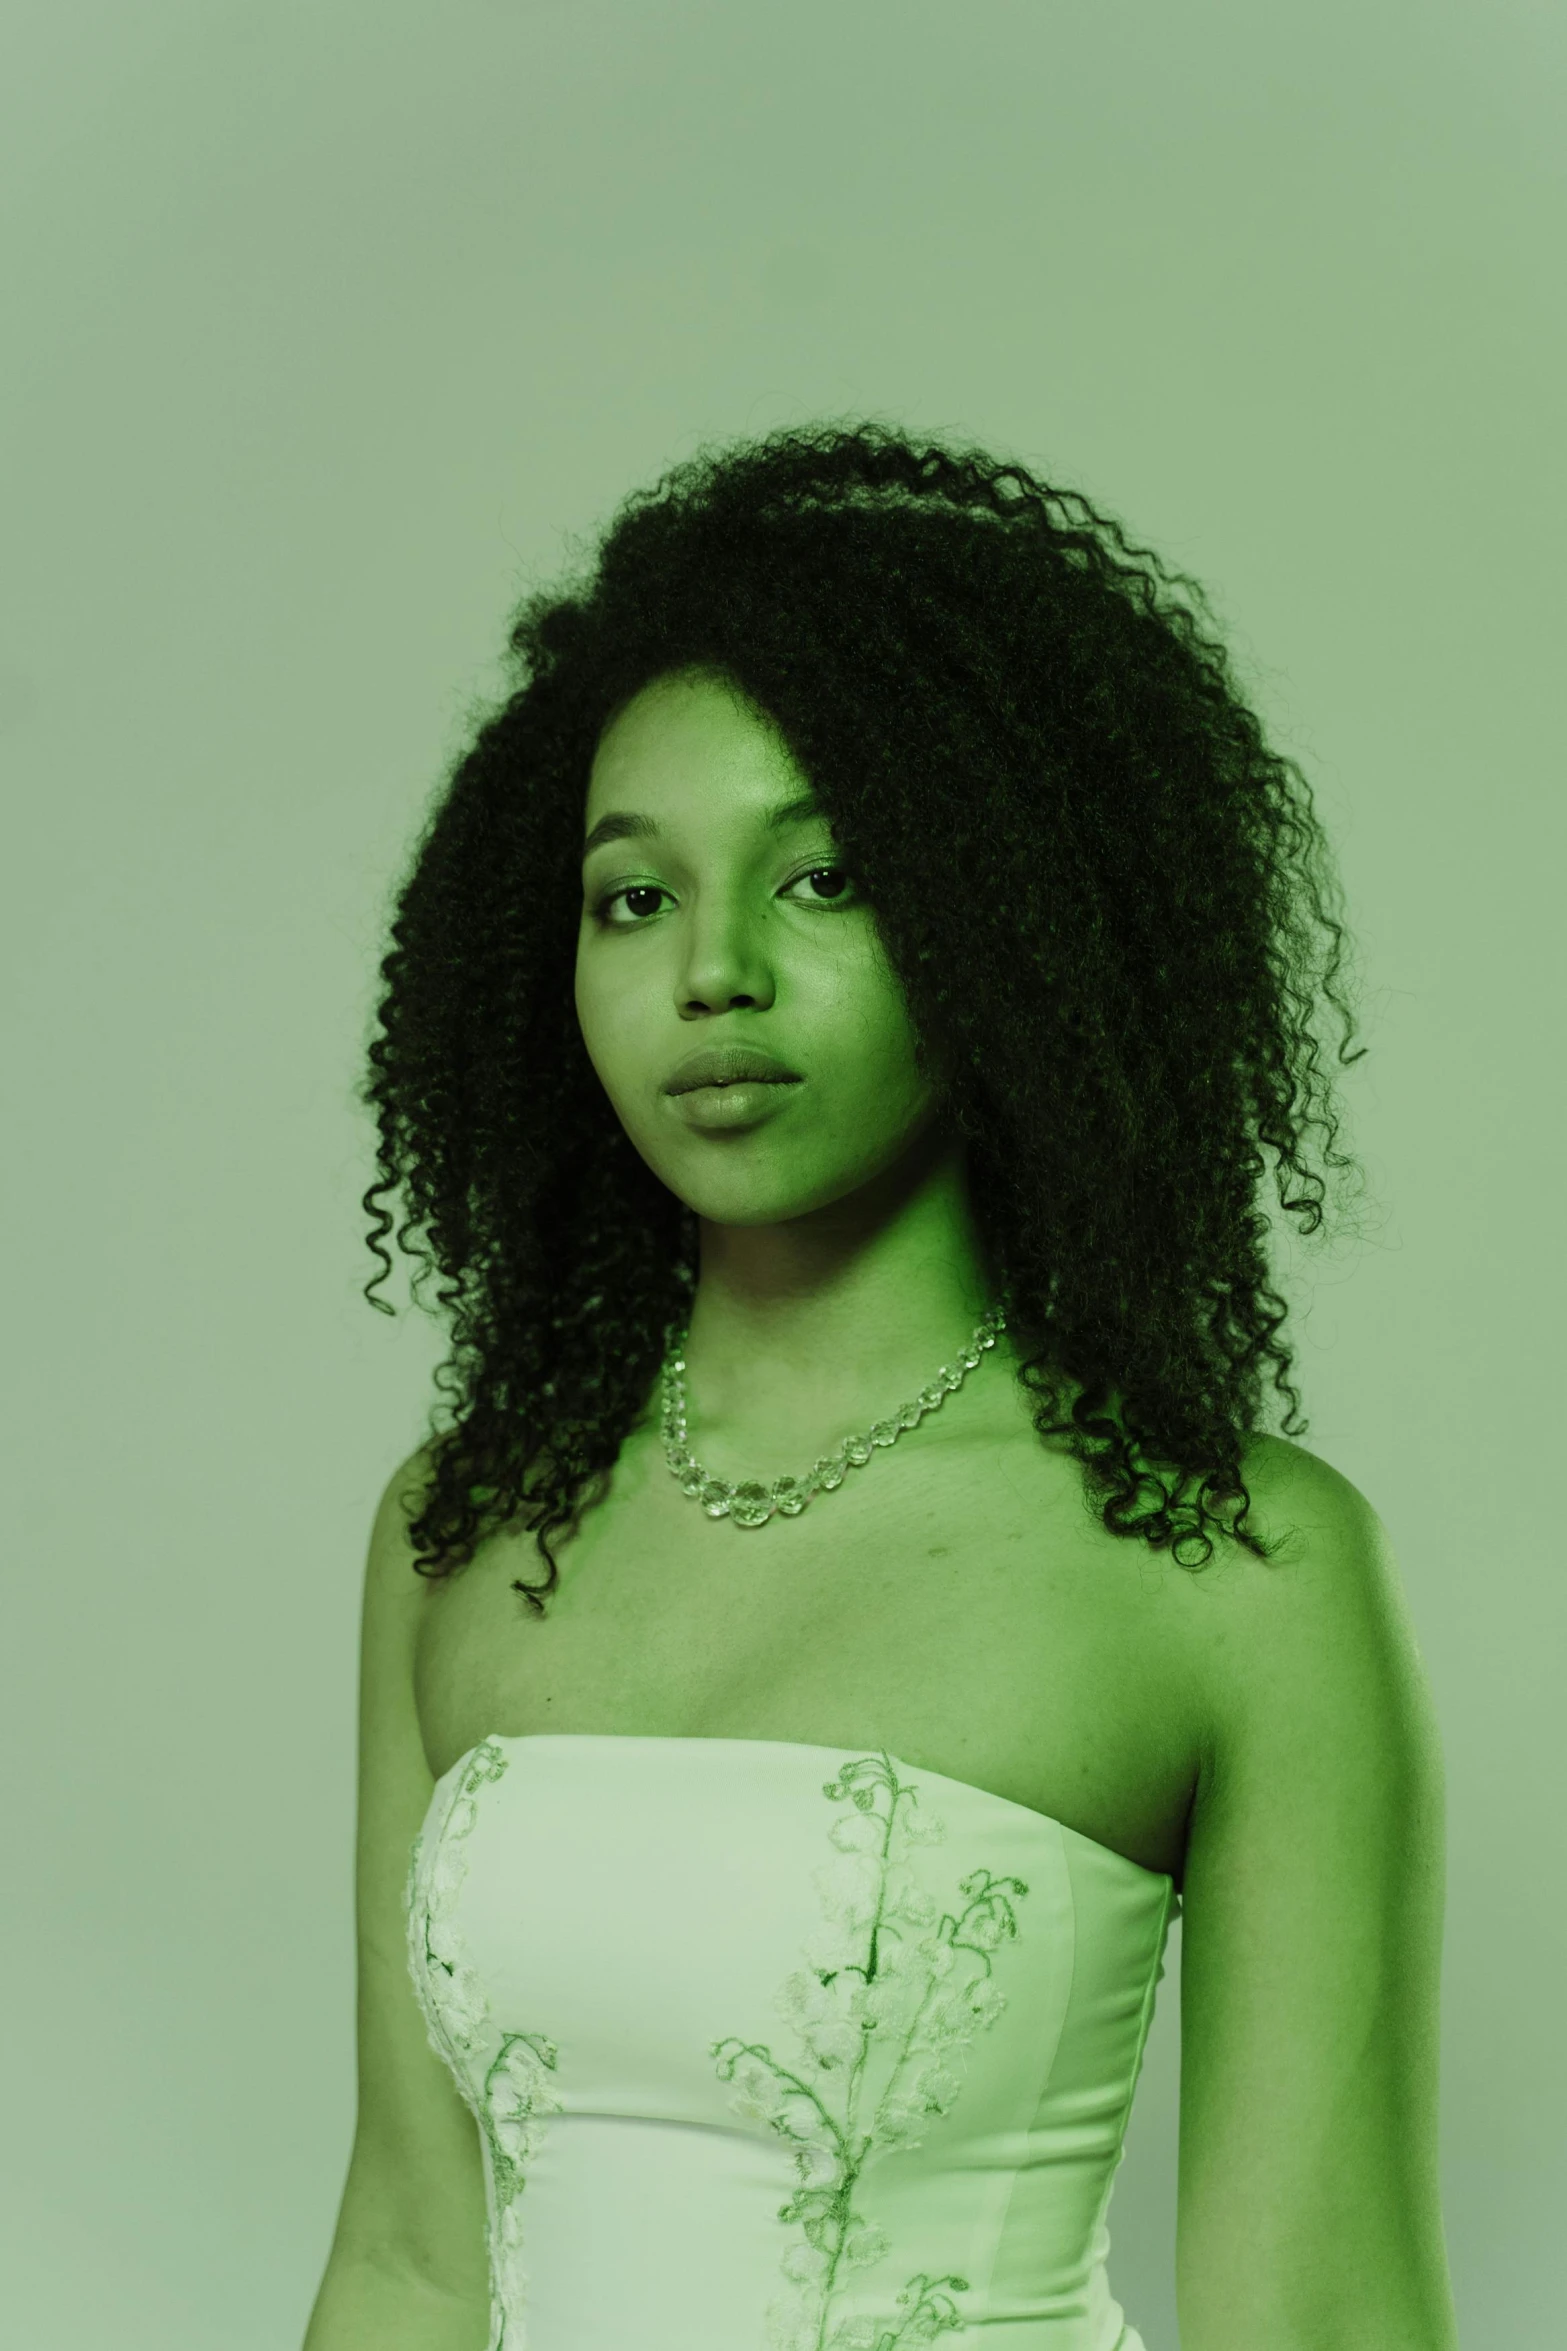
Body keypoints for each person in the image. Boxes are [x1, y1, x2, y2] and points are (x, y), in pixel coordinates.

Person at [303, 422, 1458, 2350]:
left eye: (826, 876)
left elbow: (1322, 2316)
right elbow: (413, 2258)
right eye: (628, 896)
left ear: (1006, 918)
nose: (715, 972)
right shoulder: (466, 1526)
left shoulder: (1231, 1565)